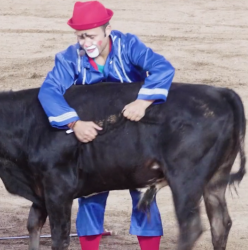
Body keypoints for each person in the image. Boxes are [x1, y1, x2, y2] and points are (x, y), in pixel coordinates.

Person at [38, 1, 175, 249]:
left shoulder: (129, 45)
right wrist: (75, 122)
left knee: (143, 195)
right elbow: (49, 91)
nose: (85, 42)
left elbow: (162, 67)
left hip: (134, 136)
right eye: (80, 37)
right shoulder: (71, 57)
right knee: (89, 196)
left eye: (91, 36)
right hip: (95, 138)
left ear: (107, 29)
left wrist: (143, 101)